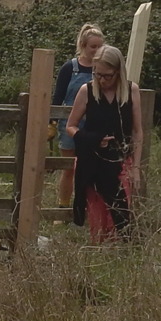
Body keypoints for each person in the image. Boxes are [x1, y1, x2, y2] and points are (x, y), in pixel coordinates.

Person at [64, 45, 142, 242]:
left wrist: (136, 168)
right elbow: (71, 126)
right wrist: (91, 140)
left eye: (107, 75)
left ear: (118, 72)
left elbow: (137, 131)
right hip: (92, 163)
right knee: (97, 220)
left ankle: (117, 260)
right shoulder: (87, 91)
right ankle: (99, 256)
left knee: (118, 216)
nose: (102, 80)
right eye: (97, 74)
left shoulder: (131, 91)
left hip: (120, 162)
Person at [50, 24, 105, 208]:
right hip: (68, 124)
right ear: (83, 45)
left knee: (91, 168)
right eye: (93, 47)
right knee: (68, 169)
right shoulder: (69, 68)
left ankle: (87, 207)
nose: (97, 51)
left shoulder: (103, 70)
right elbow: (58, 96)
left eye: (100, 47)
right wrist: (52, 122)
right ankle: (63, 207)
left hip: (93, 126)